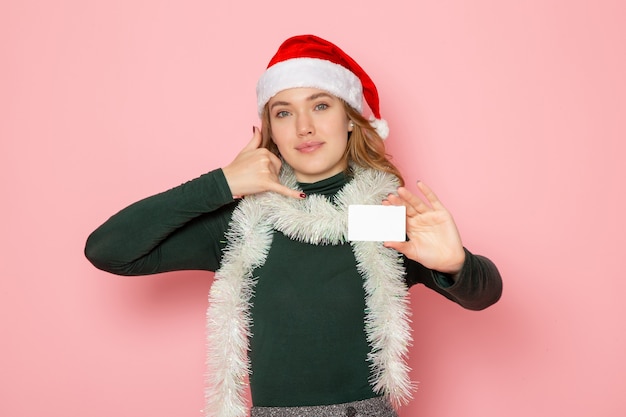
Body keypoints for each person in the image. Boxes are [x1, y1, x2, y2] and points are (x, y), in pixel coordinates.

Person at [85, 34, 502, 417]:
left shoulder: (380, 216)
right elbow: (109, 249)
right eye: (284, 113)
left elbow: (485, 294)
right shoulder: (245, 224)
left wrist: (455, 264)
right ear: (271, 130)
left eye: (321, 105)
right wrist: (223, 182)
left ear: (351, 118)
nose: (304, 127)